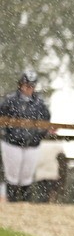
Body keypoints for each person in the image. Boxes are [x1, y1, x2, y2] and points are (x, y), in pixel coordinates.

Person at [0, 71, 52, 203]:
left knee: (27, 175)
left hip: (32, 144)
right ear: (21, 85)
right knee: (12, 174)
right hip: (12, 143)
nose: (29, 88)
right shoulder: (10, 100)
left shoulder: (39, 103)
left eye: (32, 86)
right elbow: (2, 118)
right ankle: (12, 201)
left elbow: (46, 121)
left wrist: (38, 136)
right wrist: (6, 133)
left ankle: (24, 202)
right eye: (27, 85)